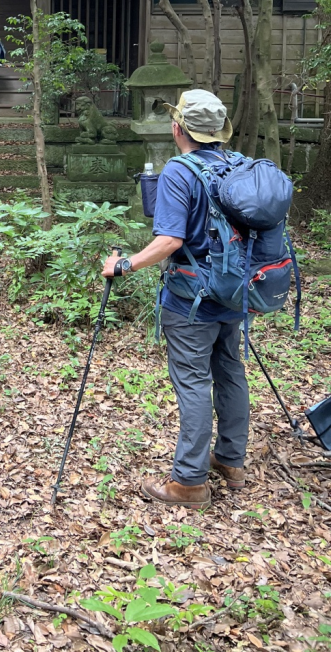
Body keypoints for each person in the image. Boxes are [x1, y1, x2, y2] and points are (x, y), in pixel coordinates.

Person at [101, 89, 247, 511]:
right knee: (231, 370)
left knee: (194, 382)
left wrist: (124, 265)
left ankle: (189, 482)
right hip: (233, 291)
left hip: (191, 299)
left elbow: (169, 239)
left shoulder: (179, 173)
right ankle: (231, 461)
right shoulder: (235, 166)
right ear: (219, 132)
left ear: (177, 128)